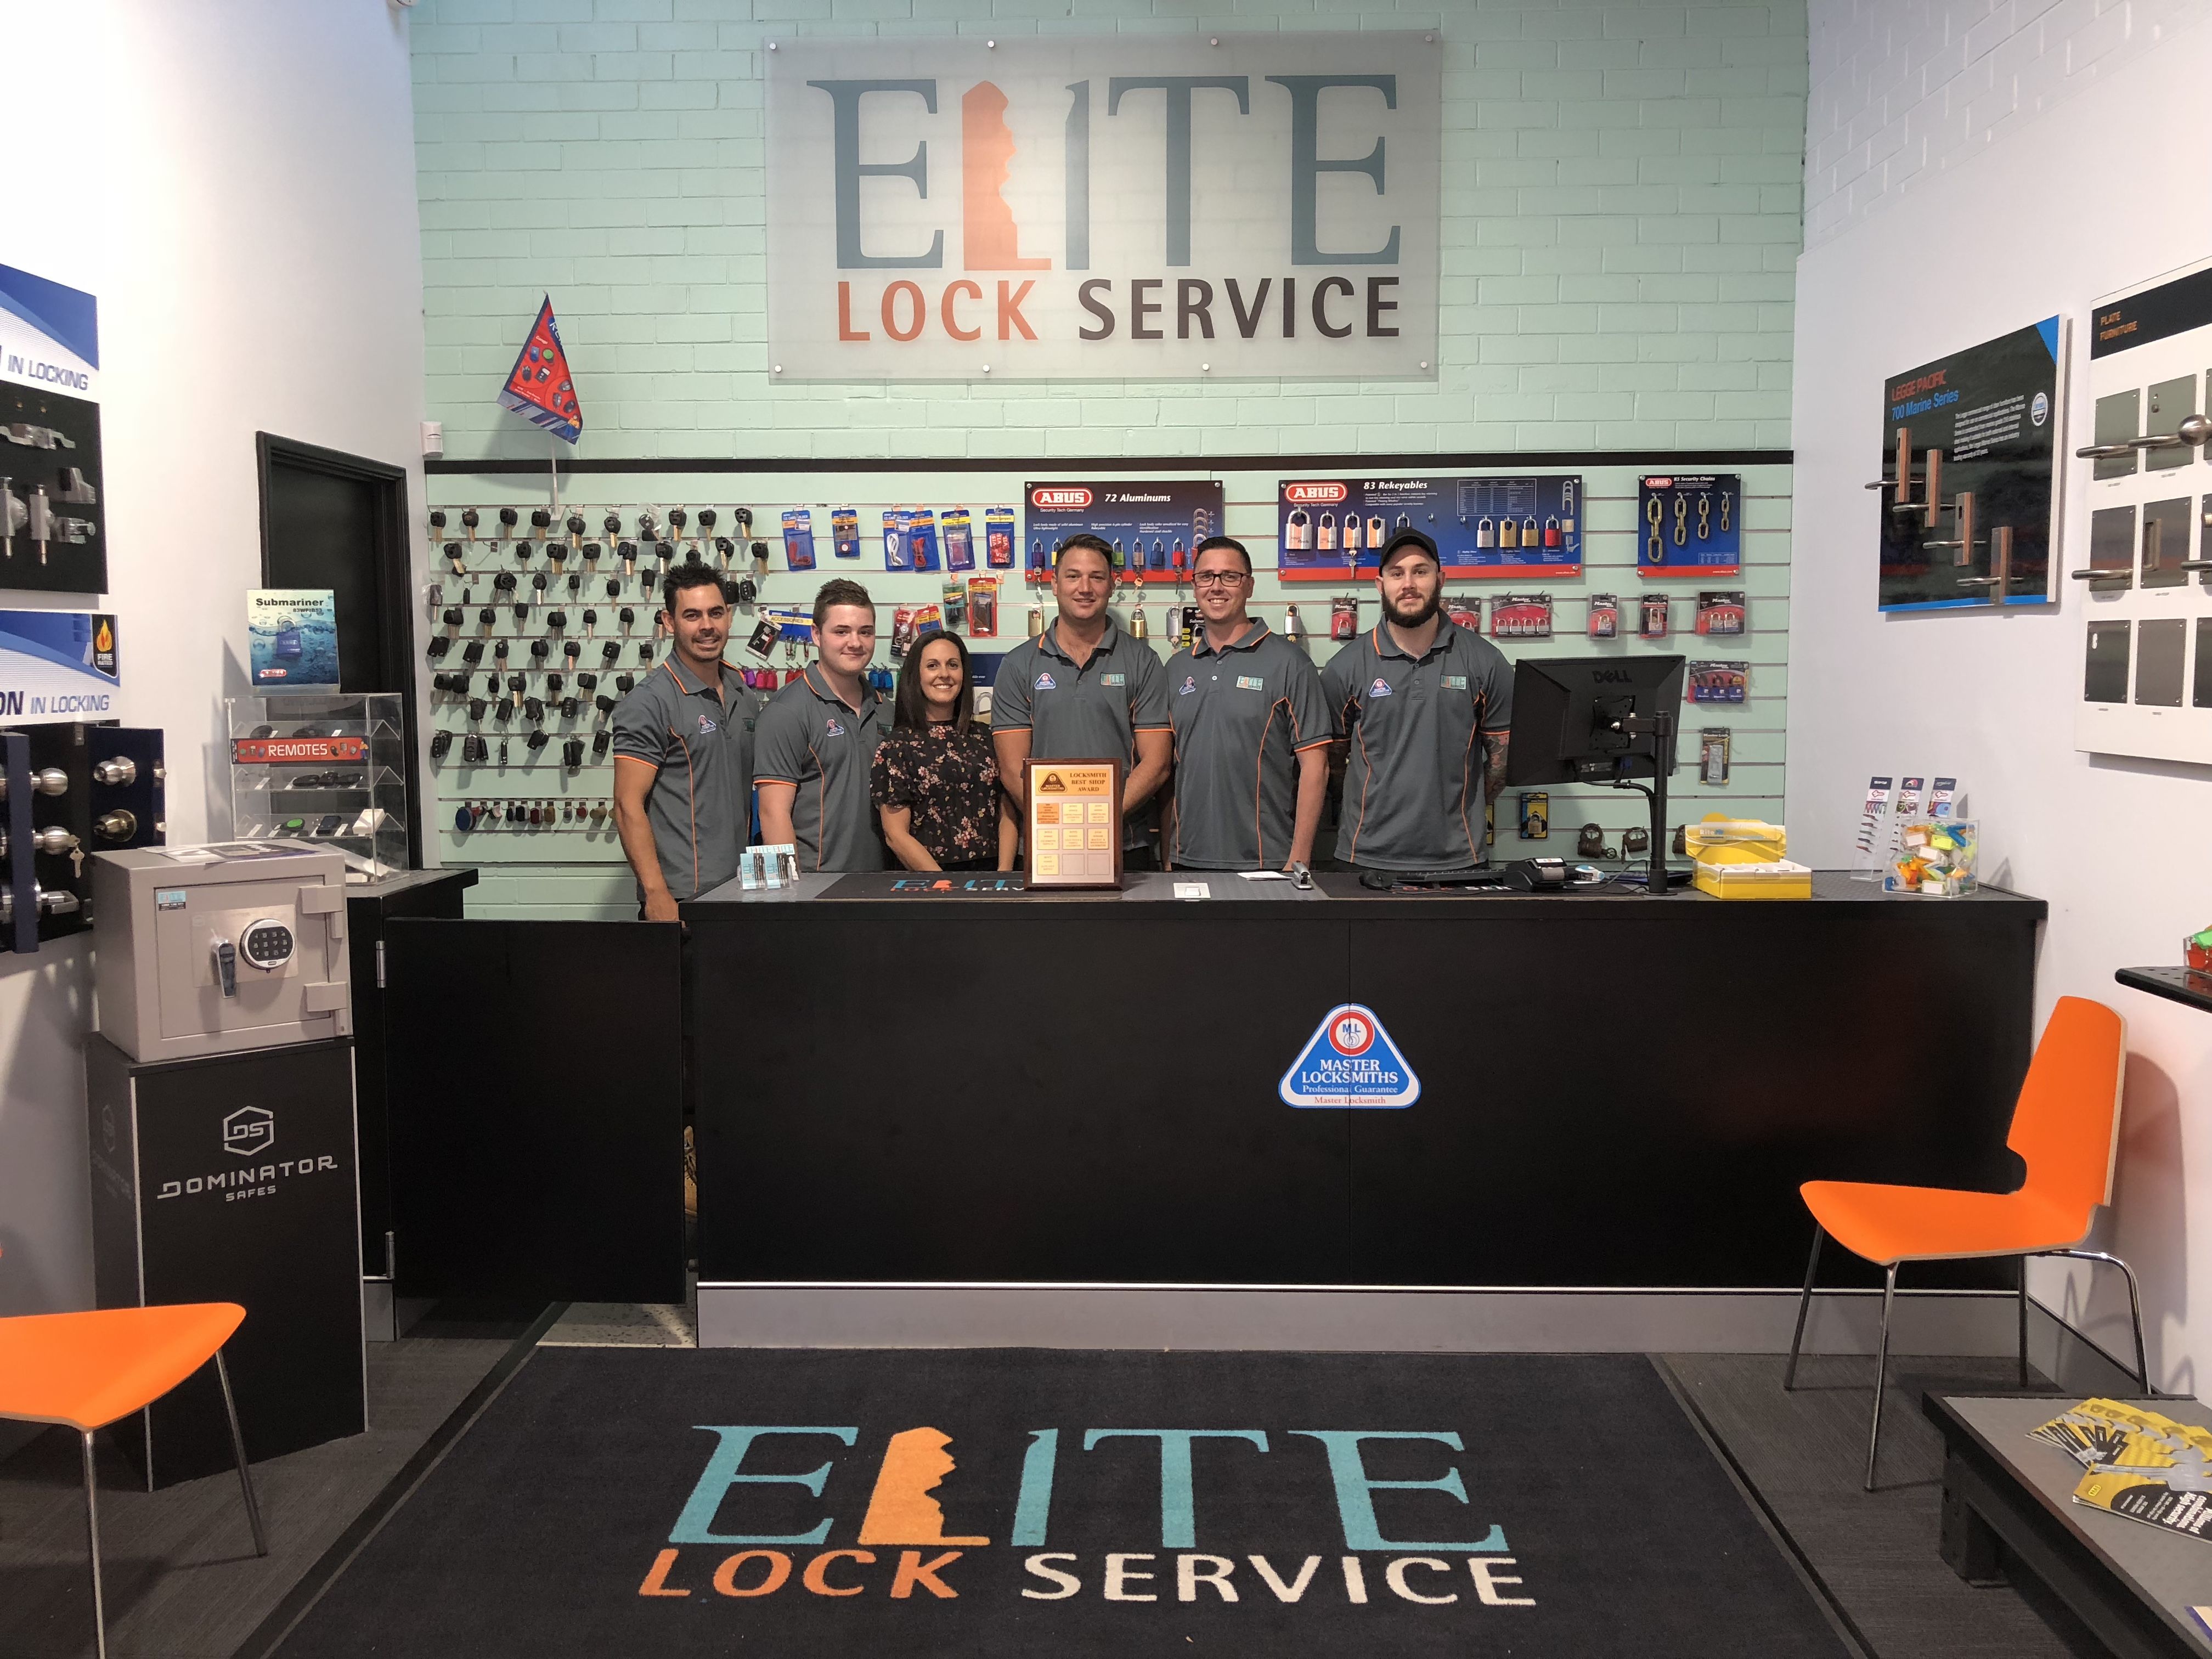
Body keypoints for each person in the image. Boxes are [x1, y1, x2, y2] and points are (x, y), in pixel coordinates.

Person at [1321, 528, 1513, 872]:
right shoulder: (1344, 668)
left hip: (1459, 859)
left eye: (1420, 571)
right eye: (1397, 574)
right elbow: (1331, 765)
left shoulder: (1486, 662)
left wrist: (1457, 808)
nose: (1408, 584)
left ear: (1441, 579)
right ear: (1380, 585)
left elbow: (1501, 763)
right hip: (1364, 856)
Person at [991, 533, 1172, 868]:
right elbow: (1012, 770)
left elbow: (1157, 763)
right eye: (1073, 576)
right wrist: (1060, 825)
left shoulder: (1143, 662)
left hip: (1125, 844)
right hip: (1045, 843)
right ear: (1055, 584)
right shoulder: (1018, 665)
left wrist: (1098, 822)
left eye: (1097, 577)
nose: (1084, 588)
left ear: (1112, 585)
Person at [1160, 535, 1334, 871]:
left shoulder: (1290, 663)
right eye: (1206, 577)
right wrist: (1168, 856)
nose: (1216, 587)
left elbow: (1316, 767)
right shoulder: (1176, 668)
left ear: (1249, 586)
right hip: (1187, 858)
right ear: (1194, 587)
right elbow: (1168, 771)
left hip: (1267, 860)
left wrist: (1298, 859)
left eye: (1230, 576)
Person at [611, 560, 761, 919]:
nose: (707, 626)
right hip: (682, 899)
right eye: (692, 615)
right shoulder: (649, 702)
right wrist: (656, 894)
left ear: (729, 617)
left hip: (743, 890)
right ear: (669, 622)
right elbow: (627, 805)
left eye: (716, 613)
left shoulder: (743, 693)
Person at [754, 577, 889, 871]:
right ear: (816, 634)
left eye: (865, 632)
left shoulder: (885, 708)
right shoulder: (786, 712)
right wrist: (791, 893)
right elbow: (773, 814)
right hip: (817, 887)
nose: (855, 643)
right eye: (841, 631)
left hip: (882, 882)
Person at [872, 629, 1017, 872]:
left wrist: (1003, 876)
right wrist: (946, 886)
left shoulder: (986, 737)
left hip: (993, 876)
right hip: (929, 881)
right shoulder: (896, 747)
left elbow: (1007, 814)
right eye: (932, 666)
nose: (944, 674)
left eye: (953, 665)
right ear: (916, 675)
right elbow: (896, 835)